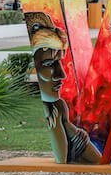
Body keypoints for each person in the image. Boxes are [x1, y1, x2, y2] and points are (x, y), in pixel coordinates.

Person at [26, 11, 101, 164]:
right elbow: (61, 158)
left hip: (83, 147)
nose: (62, 75)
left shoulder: (58, 105)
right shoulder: (53, 109)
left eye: (59, 62)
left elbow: (62, 158)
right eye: (50, 64)